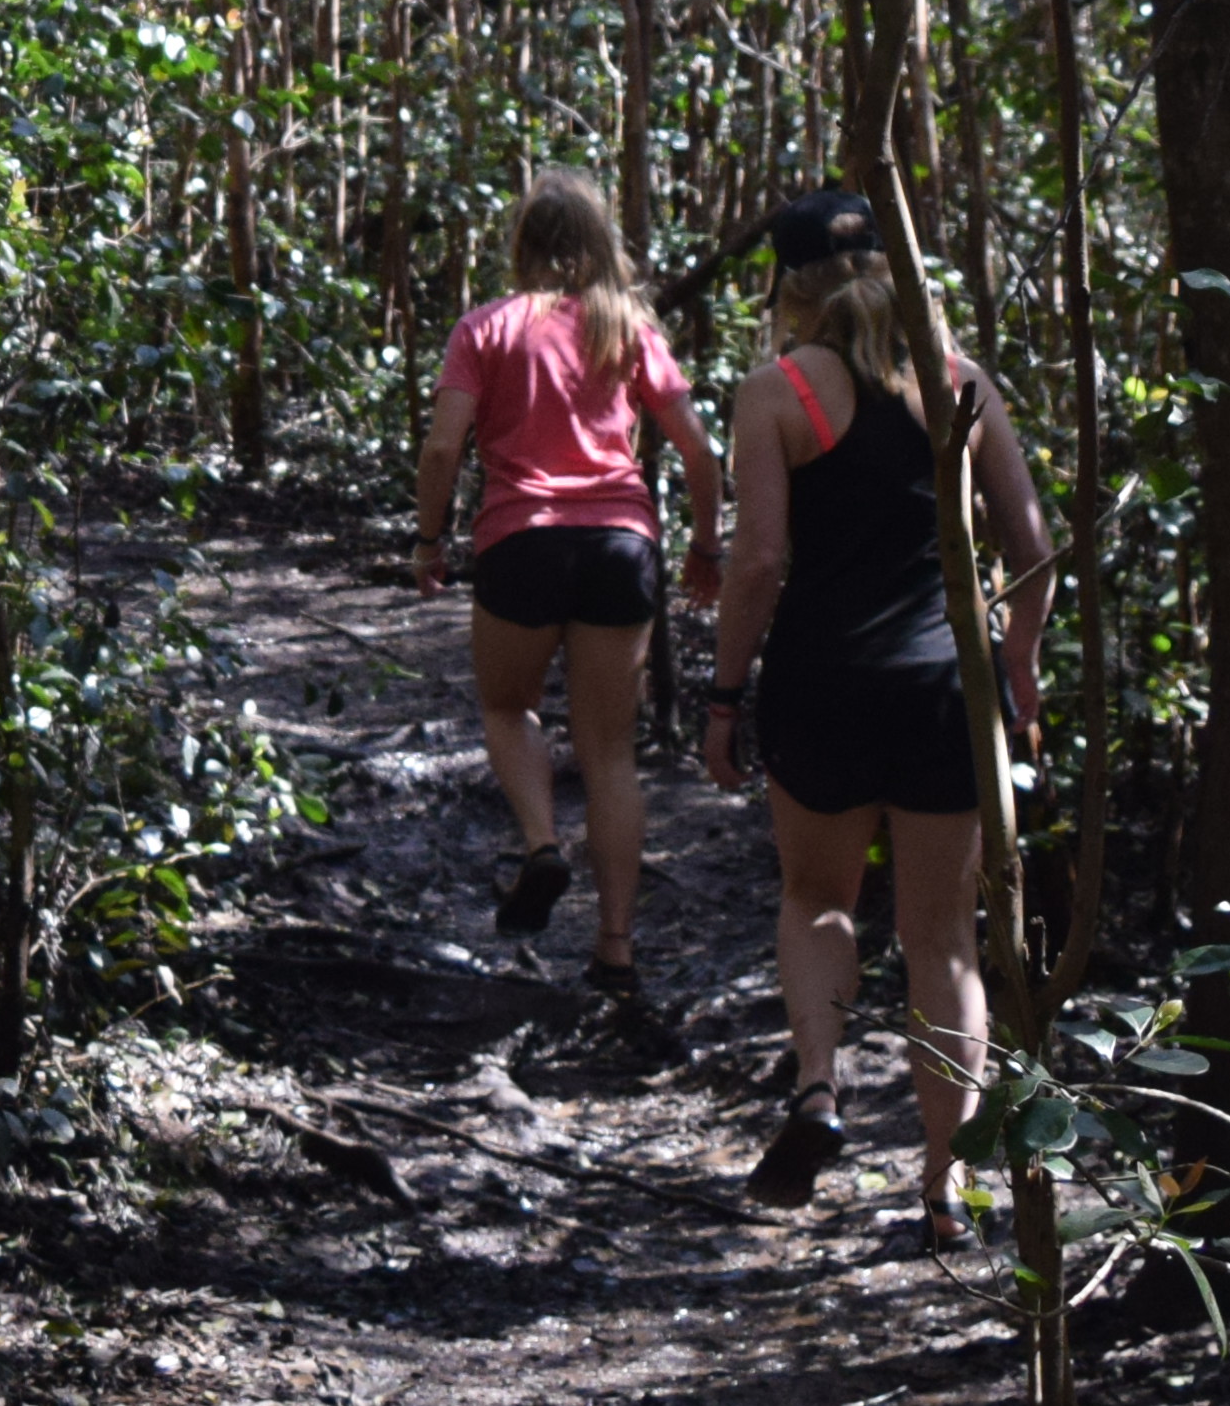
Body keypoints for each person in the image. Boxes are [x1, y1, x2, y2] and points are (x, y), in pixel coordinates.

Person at [700, 185, 1055, 1217]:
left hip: (822, 685)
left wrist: (724, 697)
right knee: (942, 938)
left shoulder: (775, 393)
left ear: (788, 287)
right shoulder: (957, 383)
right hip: (948, 689)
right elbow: (1031, 544)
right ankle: (947, 1185)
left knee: (817, 898)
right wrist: (1020, 662)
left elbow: (759, 560)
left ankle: (818, 1086)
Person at [406, 170, 722, 1029]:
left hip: (522, 541)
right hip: (620, 545)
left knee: (508, 708)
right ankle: (615, 951)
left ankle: (542, 844)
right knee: (610, 752)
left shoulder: (486, 327)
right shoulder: (628, 329)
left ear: (523, 246)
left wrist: (430, 541)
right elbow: (698, 450)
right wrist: (704, 545)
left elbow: (443, 450)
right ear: (597, 244)